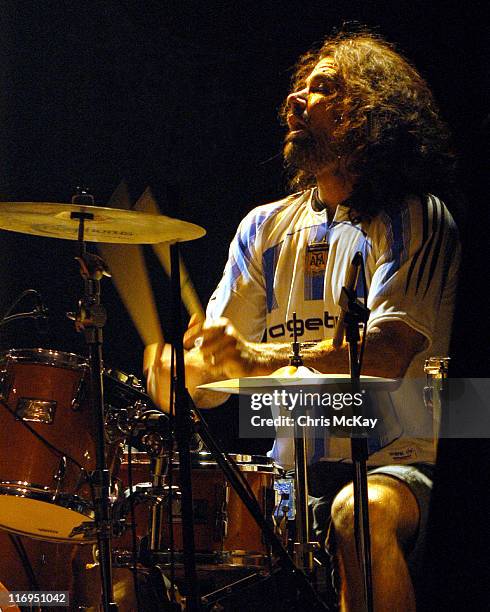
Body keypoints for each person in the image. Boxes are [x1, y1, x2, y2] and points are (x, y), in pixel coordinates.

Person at [144, 30, 460, 612]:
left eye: (322, 88)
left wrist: (255, 360)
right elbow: (214, 376)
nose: (295, 99)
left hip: (404, 463)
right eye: (297, 88)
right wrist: (175, 373)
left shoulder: (415, 218)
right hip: (290, 480)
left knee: (358, 515)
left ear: (370, 112)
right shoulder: (263, 229)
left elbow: (387, 356)